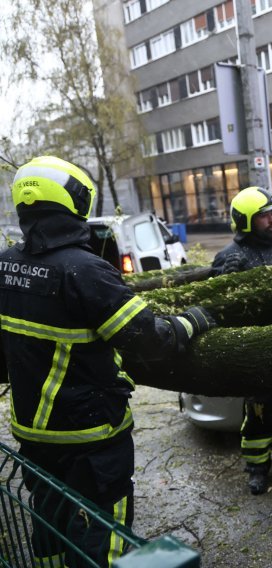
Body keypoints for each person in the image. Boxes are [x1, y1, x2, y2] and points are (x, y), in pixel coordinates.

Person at [1, 156, 215, 567]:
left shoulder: (4, 265)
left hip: (33, 433)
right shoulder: (84, 271)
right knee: (104, 537)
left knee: (50, 526)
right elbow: (151, 341)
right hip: (91, 436)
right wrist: (191, 322)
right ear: (74, 201)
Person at [210, 186, 272, 495]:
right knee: (259, 415)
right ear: (247, 221)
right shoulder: (230, 257)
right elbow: (216, 306)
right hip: (255, 352)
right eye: (264, 216)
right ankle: (257, 469)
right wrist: (225, 280)